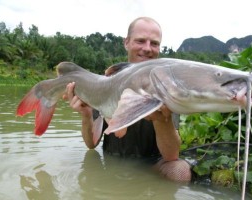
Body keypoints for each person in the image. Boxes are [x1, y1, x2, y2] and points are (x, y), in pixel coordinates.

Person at [64, 17, 192, 182]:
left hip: (151, 165)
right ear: (126, 42)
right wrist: (86, 115)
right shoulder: (106, 82)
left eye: (154, 43)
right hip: (112, 162)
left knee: (180, 171)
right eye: (140, 41)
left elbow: (171, 155)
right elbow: (91, 145)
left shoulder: (166, 85)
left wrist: (162, 119)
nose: (147, 48)